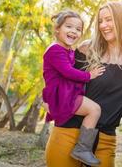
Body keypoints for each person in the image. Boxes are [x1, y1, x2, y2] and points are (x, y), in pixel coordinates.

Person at [45, 2, 122, 167]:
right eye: (100, 21)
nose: (103, 25)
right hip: (68, 131)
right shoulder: (87, 48)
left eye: (109, 20)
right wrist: (50, 96)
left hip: (105, 138)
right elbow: (61, 75)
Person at [42, 10, 105, 166]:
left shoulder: (67, 50)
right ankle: (82, 148)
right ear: (57, 29)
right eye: (69, 26)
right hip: (61, 95)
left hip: (63, 92)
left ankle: (82, 147)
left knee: (93, 109)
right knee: (95, 110)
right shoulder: (55, 49)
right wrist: (90, 75)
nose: (74, 31)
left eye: (78, 29)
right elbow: (68, 72)